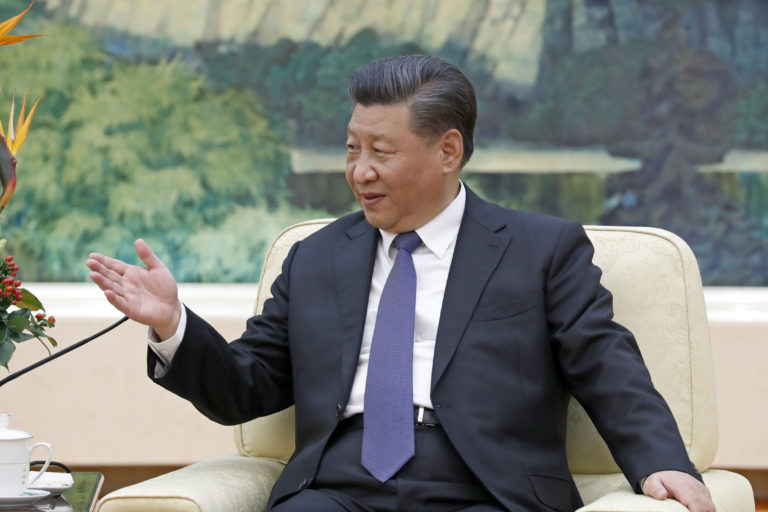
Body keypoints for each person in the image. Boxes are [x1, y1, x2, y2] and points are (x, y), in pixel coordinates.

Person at [87, 55, 714, 512]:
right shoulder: (315, 258)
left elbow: (606, 364)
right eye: (352, 149)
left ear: (448, 151)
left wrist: (661, 463)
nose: (360, 171)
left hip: (485, 487)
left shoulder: (540, 250)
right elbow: (244, 387)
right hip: (337, 485)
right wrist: (172, 324)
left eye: (381, 152)